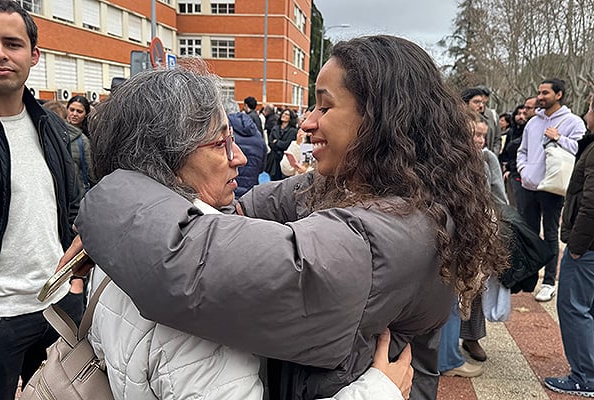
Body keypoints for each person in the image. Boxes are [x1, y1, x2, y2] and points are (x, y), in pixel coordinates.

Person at [68, 35, 506, 400]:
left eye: (324, 106)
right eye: (220, 144)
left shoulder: (393, 233)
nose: (307, 122)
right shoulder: (349, 188)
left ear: (380, 120)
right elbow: (251, 208)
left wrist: (108, 204)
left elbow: (194, 262)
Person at [84, 66, 411, 400]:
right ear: (167, 161)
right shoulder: (200, 303)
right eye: (220, 144)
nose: (238, 156)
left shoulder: (116, 244)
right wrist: (378, 391)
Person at [0, 2, 83, 399]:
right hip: (0, 317)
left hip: (55, 307)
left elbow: (73, 206)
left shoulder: (52, 129)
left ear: (34, 55)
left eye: (11, 43)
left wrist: (76, 279)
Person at [439, 118, 508, 377]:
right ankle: (448, 359)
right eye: (474, 134)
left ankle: (447, 355)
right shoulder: (459, 163)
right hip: (456, 238)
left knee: (452, 296)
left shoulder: (464, 158)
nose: (479, 140)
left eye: (482, 135)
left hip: (454, 236)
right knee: (451, 297)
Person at [517, 78, 586, 302]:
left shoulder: (573, 122)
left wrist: (560, 138)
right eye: (539, 92)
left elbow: (581, 150)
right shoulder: (532, 122)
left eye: (545, 92)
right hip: (529, 185)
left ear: (559, 95)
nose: (540, 96)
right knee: (528, 232)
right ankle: (527, 278)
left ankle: (548, 281)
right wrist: (524, 170)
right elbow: (523, 150)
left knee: (549, 234)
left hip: (554, 187)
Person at [544, 96, 594, 397]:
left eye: (590, 108)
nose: (587, 113)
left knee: (574, 307)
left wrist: (576, 246)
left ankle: (584, 377)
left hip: (587, 248)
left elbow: (591, 205)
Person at [224, 98, 266, 198]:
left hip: (227, 190)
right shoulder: (257, 135)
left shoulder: (223, 134)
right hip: (250, 192)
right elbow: (263, 166)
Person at [265, 108, 298, 180]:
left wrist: (276, 142)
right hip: (273, 158)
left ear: (290, 117)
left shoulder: (293, 131)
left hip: (284, 158)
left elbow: (287, 144)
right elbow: (270, 142)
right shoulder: (275, 128)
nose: (284, 115)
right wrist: (277, 143)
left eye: (287, 114)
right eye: (283, 113)